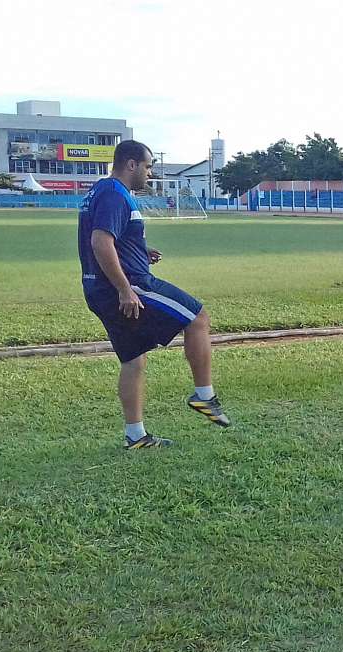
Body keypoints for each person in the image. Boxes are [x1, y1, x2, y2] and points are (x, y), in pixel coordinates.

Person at [78, 140, 230, 449]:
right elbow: (100, 242)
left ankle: (136, 437)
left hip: (98, 289)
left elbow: (112, 238)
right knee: (198, 317)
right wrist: (124, 289)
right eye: (148, 166)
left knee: (133, 359)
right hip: (131, 286)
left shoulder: (102, 190)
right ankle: (205, 398)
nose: (150, 173)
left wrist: (139, 249)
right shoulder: (114, 194)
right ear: (131, 164)